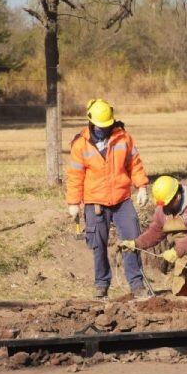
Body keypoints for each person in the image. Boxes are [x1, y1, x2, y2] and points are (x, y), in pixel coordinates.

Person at [66, 99, 149, 299]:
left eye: (107, 125)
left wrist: (142, 187)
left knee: (131, 240)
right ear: (91, 122)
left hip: (122, 200)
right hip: (95, 203)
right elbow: (75, 175)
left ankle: (137, 285)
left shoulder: (124, 139)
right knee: (98, 244)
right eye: (100, 126)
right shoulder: (80, 144)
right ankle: (101, 284)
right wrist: (73, 203)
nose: (103, 129)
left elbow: (135, 164)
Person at [120, 176, 187, 298]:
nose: (165, 208)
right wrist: (136, 243)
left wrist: (176, 251)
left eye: (168, 204)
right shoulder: (163, 207)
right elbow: (155, 231)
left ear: (177, 197)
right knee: (183, 292)